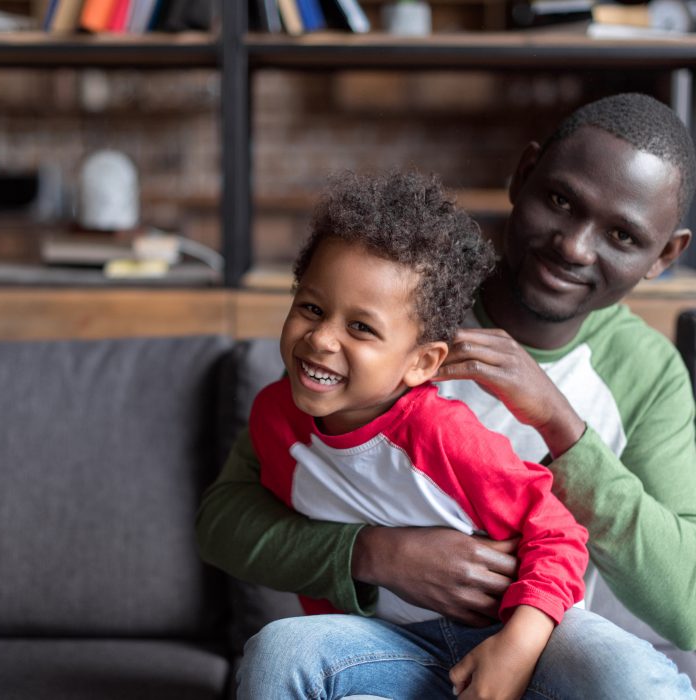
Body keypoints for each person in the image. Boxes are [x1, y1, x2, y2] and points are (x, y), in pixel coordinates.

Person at [196, 92, 696, 698]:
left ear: (664, 256)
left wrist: (562, 427)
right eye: (560, 201)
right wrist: (375, 554)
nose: (574, 246)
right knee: (281, 652)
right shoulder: (394, 300)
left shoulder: (646, 372)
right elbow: (227, 517)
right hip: (384, 643)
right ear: (523, 176)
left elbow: (686, 607)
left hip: (538, 642)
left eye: (622, 234)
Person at [248, 169, 590, 699]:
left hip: (519, 642)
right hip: (395, 649)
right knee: (280, 649)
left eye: (361, 328)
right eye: (311, 308)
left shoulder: (440, 436)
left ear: (421, 362)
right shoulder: (273, 419)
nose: (320, 338)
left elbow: (560, 535)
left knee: (630, 676)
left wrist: (517, 649)